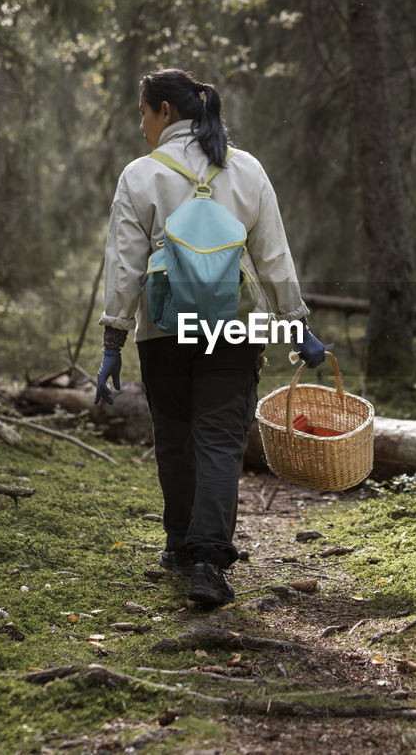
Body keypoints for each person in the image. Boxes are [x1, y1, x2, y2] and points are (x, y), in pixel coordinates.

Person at [93, 68, 326, 608]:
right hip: (235, 329)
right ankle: (208, 561)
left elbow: (124, 265)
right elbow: (273, 257)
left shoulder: (140, 175)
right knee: (220, 441)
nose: (141, 123)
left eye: (144, 112)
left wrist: (112, 341)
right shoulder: (245, 169)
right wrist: (297, 324)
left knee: (174, 437)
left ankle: (179, 544)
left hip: (163, 329)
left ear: (166, 113)